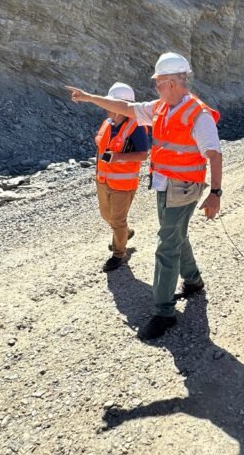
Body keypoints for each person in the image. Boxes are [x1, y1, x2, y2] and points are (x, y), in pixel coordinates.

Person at [66, 52, 222, 340]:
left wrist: (215, 193)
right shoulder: (161, 107)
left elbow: (214, 153)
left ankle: (164, 312)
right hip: (165, 186)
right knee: (176, 235)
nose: (156, 88)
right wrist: (89, 97)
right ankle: (194, 280)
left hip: (184, 188)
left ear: (174, 82)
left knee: (166, 244)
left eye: (159, 83)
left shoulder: (197, 114)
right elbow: (125, 106)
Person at [94, 83, 150, 272]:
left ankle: (119, 254)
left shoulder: (137, 127)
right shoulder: (108, 124)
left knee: (117, 220)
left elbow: (143, 154)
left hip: (123, 183)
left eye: (111, 103)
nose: (107, 107)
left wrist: (118, 157)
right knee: (106, 215)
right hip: (103, 180)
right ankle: (124, 233)